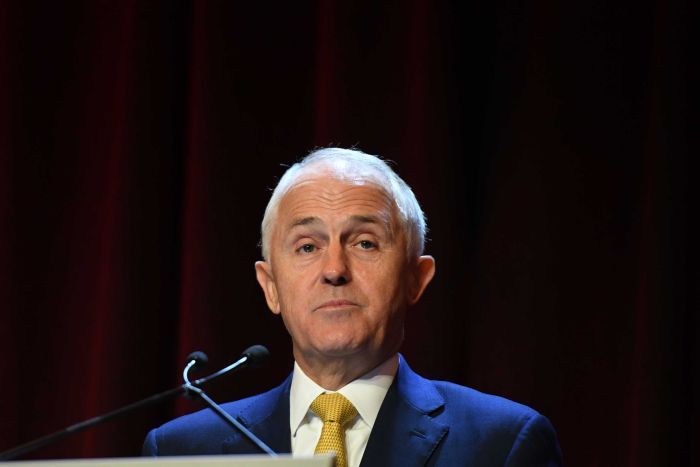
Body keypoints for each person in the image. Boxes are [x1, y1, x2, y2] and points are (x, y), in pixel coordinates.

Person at [143, 148, 563, 466]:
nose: (334, 270)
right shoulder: (180, 451)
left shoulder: (504, 443)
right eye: (307, 246)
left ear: (415, 279)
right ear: (271, 287)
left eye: (364, 243)